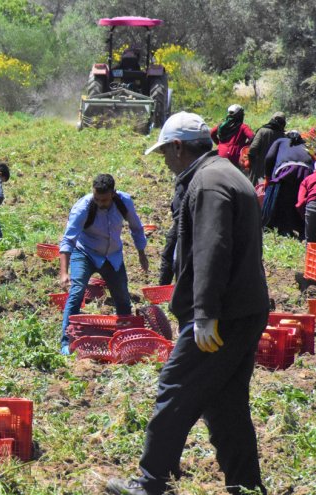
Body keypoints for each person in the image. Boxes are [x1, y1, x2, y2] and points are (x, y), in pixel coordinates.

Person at [106, 112, 269, 495]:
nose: (164, 161)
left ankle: (150, 483)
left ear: (178, 147)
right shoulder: (226, 173)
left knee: (175, 386)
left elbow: (213, 248)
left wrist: (205, 312)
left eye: (165, 152)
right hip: (244, 308)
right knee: (226, 403)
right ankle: (246, 486)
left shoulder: (208, 183)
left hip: (223, 313)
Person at [58, 174, 148, 355]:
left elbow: (136, 228)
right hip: (85, 252)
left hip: (112, 255)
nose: (100, 203)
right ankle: (66, 342)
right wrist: (64, 272)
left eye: (105, 200)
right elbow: (68, 240)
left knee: (122, 296)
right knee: (77, 292)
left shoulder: (124, 202)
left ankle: (125, 338)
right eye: (97, 199)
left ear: (113, 193)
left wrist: (141, 254)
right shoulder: (83, 207)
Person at [262, 130, 314, 238]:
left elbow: (269, 157)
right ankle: (301, 228)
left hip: (286, 170)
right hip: (306, 172)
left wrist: (267, 177)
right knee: (299, 200)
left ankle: (283, 228)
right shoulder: (306, 145)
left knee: (283, 200)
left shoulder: (281, 141)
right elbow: (314, 159)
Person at [246, 112, 286, 184]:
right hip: (273, 172)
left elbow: (253, 149)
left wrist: (250, 162)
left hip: (257, 170)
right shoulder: (283, 136)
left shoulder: (262, 131)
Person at [210, 104, 254, 168]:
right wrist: (244, 146)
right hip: (235, 157)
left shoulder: (221, 125)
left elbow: (212, 133)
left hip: (221, 154)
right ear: (240, 115)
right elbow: (252, 138)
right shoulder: (243, 127)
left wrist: (219, 143)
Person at [296, 158, 316, 243]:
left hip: (312, 207)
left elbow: (300, 203)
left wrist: (305, 216)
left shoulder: (307, 179)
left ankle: (312, 255)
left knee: (310, 241)